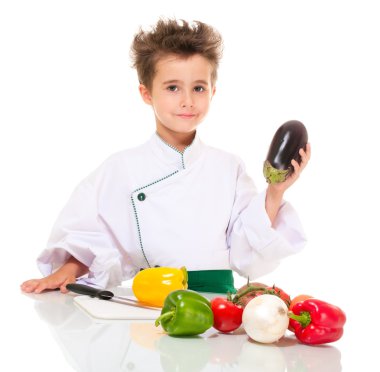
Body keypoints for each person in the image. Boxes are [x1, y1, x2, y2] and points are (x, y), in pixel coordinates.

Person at [21, 18, 310, 295]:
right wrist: (70, 267)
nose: (187, 100)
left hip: (217, 304)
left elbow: (248, 254)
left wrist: (275, 190)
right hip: (147, 304)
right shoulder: (121, 167)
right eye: (172, 88)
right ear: (146, 94)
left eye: (199, 88)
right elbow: (93, 233)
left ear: (213, 91)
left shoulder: (229, 167)